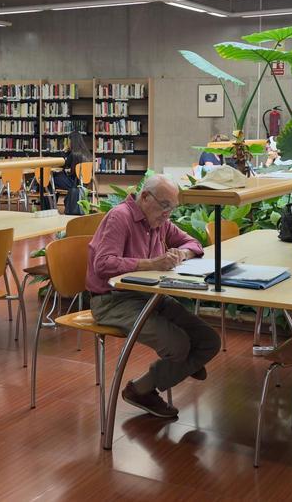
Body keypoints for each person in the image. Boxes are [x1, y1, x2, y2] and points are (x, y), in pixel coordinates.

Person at [87, 175, 221, 418]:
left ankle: (181, 365)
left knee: (209, 340)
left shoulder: (159, 221)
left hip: (150, 295)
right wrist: (151, 263)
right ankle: (142, 389)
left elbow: (193, 243)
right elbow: (103, 264)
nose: (168, 214)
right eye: (164, 205)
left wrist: (181, 254)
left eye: (173, 208)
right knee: (179, 345)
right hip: (112, 300)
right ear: (145, 197)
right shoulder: (120, 217)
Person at [47, 131, 91, 212]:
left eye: (68, 141)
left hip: (74, 183)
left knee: (50, 180)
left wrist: (64, 151)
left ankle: (49, 207)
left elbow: (63, 164)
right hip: (83, 182)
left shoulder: (74, 154)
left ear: (72, 141)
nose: (68, 143)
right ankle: (51, 206)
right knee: (55, 177)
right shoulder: (86, 153)